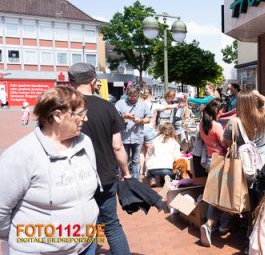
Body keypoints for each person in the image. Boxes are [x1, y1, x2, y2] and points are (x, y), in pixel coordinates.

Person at [0, 86, 100, 254]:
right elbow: (1, 209)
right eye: (80, 114)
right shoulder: (21, 155)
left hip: (86, 245)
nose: (86, 118)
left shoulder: (85, 142)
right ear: (58, 115)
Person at [69, 62, 132, 254]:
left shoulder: (65, 107)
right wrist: (126, 173)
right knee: (111, 225)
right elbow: (117, 146)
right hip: (104, 175)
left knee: (85, 229)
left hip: (74, 178)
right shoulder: (107, 107)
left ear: (71, 81)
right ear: (93, 81)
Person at [199, 98, 230, 247]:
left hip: (210, 160)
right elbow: (224, 143)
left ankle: (212, 222)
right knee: (223, 196)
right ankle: (216, 224)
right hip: (220, 160)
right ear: (215, 111)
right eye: (221, 110)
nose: (223, 112)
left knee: (213, 194)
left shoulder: (202, 123)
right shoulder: (216, 125)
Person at [224, 89, 265, 164]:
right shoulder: (264, 115)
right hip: (261, 160)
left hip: (242, 161)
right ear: (253, 102)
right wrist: (257, 94)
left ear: (238, 104)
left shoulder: (233, 122)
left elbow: (227, 142)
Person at [115, 86, 152, 179]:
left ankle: (135, 181)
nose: (132, 98)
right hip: (124, 136)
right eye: (130, 96)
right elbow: (113, 118)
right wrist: (123, 116)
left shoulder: (143, 104)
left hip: (137, 135)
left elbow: (148, 119)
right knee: (123, 160)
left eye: (134, 96)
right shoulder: (120, 103)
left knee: (136, 160)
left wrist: (140, 121)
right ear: (127, 95)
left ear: (138, 95)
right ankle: (122, 180)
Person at [145, 122, 181, 186]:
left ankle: (153, 178)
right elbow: (177, 158)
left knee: (153, 169)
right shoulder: (174, 142)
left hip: (152, 168)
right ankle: (168, 181)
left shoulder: (155, 140)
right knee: (172, 174)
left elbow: (149, 153)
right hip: (167, 169)